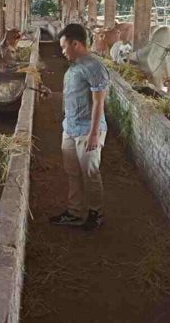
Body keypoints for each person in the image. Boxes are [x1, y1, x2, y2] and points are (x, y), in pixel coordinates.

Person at [50, 23, 110, 230]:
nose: (62, 51)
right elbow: (72, 96)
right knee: (72, 172)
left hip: (87, 130)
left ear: (76, 43)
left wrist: (94, 134)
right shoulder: (74, 66)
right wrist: (51, 96)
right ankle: (75, 211)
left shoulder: (94, 66)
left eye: (64, 46)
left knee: (90, 173)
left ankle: (96, 213)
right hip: (71, 127)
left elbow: (99, 102)